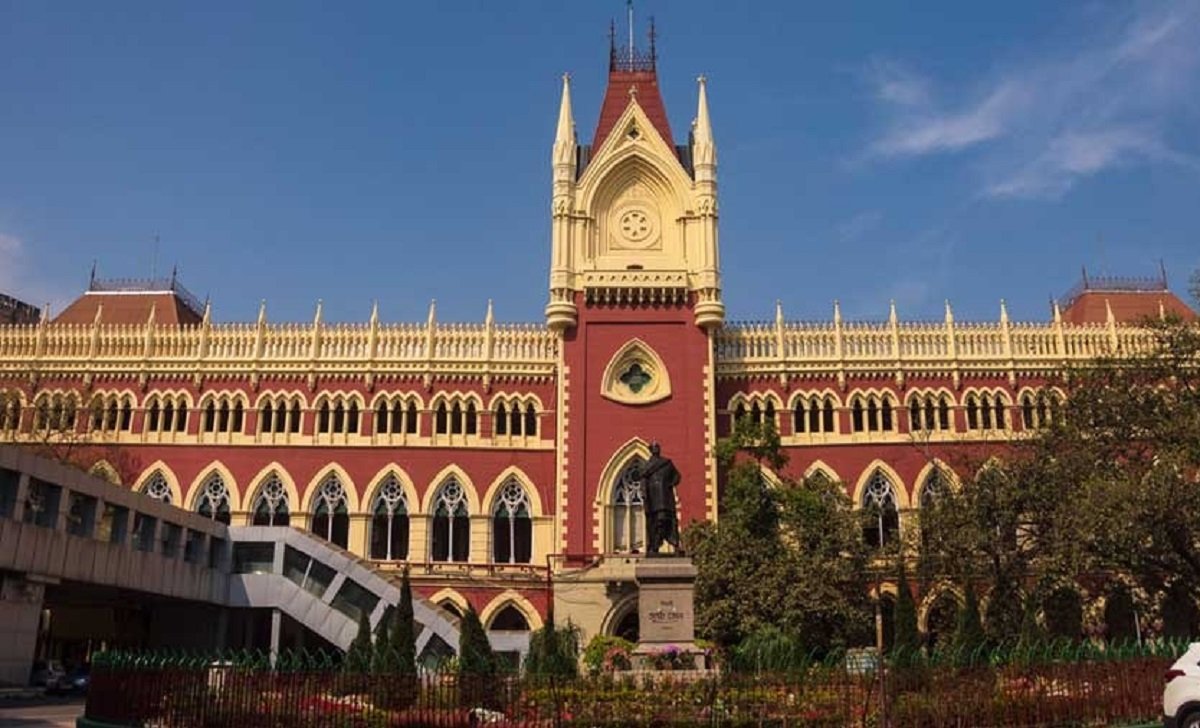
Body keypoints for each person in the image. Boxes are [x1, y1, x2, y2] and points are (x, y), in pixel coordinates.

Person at [640, 442, 681, 555]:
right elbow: (643, 482)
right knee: (657, 522)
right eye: (654, 447)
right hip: (653, 500)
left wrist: (669, 484)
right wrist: (644, 495)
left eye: (657, 447)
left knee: (666, 520)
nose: (656, 449)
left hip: (665, 498)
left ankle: (672, 542)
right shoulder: (647, 466)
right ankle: (655, 545)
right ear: (650, 450)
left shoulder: (667, 463)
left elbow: (677, 476)